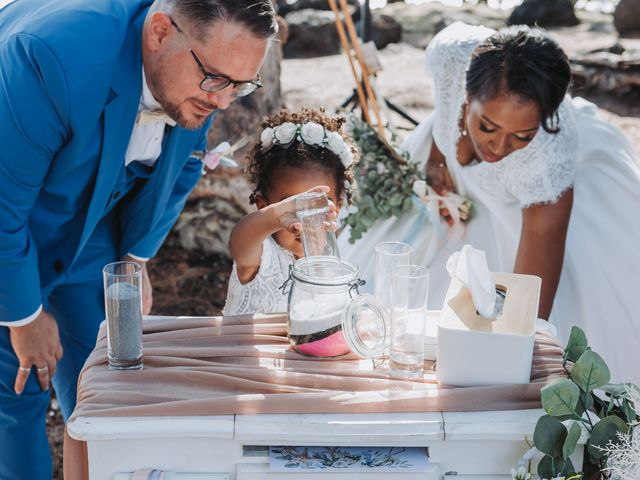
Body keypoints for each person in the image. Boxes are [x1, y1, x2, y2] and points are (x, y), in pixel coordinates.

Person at [0, 0, 277, 477]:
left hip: (90, 231)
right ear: (159, 32)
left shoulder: (204, 74)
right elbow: (2, 206)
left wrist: (136, 257)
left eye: (241, 85)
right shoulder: (48, 59)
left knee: (110, 377)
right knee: (17, 390)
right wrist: (24, 317)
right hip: (12, 231)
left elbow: (182, 168)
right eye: (216, 79)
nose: (223, 102)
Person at [339, 22, 640, 384]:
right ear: (466, 95)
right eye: (488, 127)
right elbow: (442, 103)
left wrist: (510, 354)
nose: (498, 148)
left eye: (521, 135)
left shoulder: (547, 160)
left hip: (518, 201)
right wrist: (437, 158)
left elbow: (529, 289)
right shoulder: (450, 54)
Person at [223, 109, 356, 316]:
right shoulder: (262, 256)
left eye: (318, 206)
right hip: (245, 347)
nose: (305, 220)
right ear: (263, 205)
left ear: (336, 207)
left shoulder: (334, 261)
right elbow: (239, 241)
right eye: (291, 206)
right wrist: (276, 216)